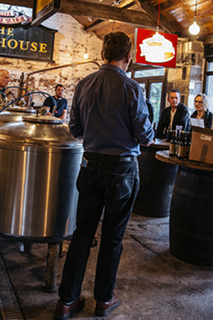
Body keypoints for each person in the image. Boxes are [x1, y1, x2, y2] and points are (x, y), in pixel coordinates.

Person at [55, 31, 154, 319]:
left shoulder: (84, 84)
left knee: (82, 234)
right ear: (129, 56)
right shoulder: (132, 88)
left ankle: (66, 301)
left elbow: (74, 128)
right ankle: (103, 299)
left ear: (102, 55)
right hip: (121, 169)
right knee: (112, 237)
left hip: (89, 165)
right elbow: (145, 136)